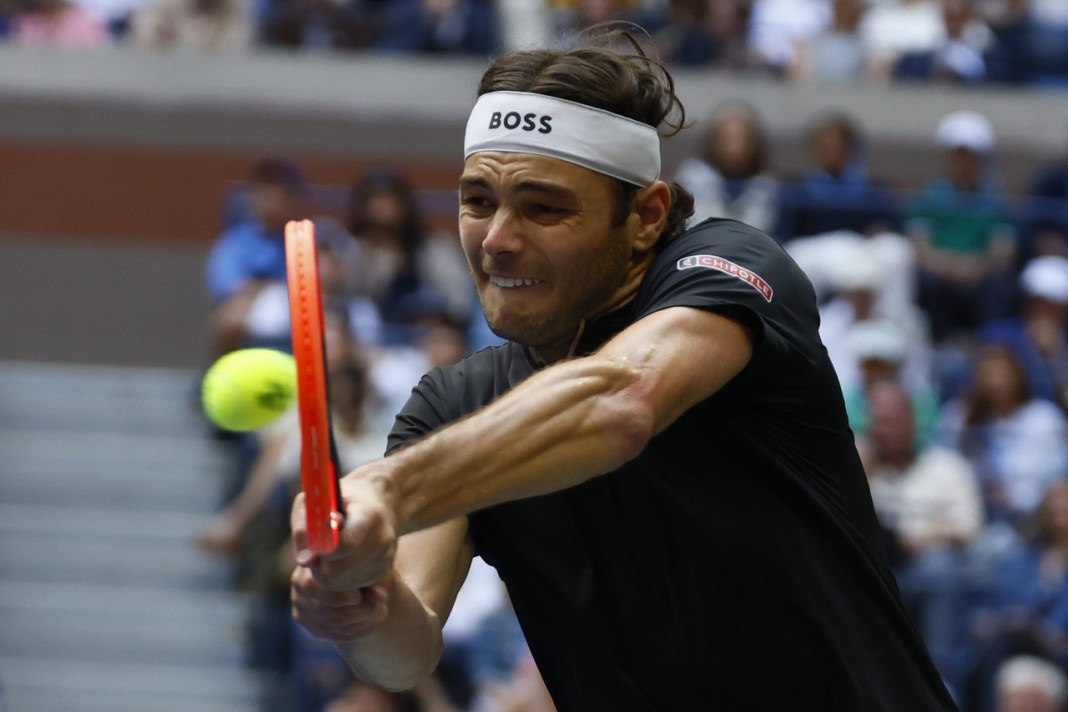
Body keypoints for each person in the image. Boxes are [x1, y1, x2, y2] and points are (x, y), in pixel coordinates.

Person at [289, 27, 958, 710]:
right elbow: (406, 654)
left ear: (645, 215)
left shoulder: (731, 269)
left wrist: (388, 490)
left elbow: (620, 401)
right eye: (478, 201)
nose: (497, 240)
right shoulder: (453, 406)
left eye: (543, 208)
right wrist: (361, 606)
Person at [672, 100, 780, 235]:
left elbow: (760, 229)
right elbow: (697, 224)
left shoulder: (765, 183)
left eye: (740, 139)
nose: (733, 147)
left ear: (754, 143)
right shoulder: (693, 175)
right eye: (726, 138)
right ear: (713, 141)